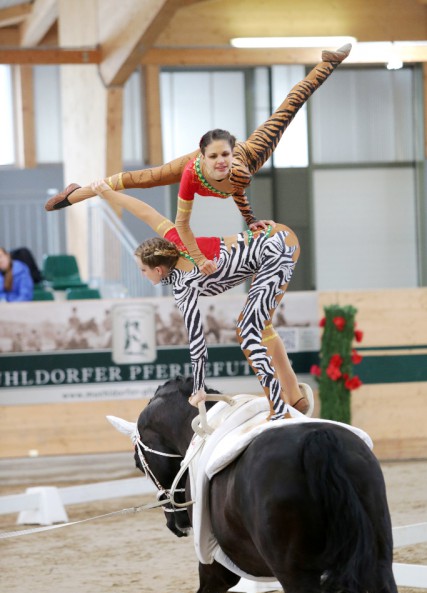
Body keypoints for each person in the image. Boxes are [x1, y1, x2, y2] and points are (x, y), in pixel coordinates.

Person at [46, 43, 351, 275]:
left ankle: (328, 64)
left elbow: (238, 193)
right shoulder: (192, 170)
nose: (221, 161)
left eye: (225, 156)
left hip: (252, 154)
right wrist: (202, 260)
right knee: (148, 178)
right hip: (193, 170)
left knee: (288, 109)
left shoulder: (241, 168)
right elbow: (182, 224)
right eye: (215, 156)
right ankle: (75, 194)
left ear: (232, 153)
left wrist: (251, 221)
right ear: (203, 155)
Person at [90, 179, 313, 421]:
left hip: (276, 246)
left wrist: (199, 389)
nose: (141, 275)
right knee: (261, 325)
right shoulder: (174, 239)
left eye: (143, 270)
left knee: (247, 331)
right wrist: (106, 193)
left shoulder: (184, 283)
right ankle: (293, 394)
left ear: (158, 270)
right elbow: (145, 212)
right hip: (276, 238)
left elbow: (198, 343)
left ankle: (279, 409)